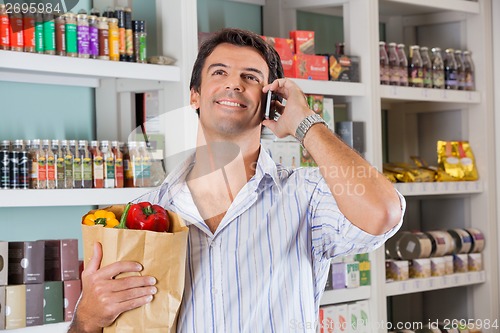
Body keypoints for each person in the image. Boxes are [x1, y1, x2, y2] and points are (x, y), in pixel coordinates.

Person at [69, 28, 405, 332]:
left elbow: (383, 212)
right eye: (219, 72)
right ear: (195, 96)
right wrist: (87, 318)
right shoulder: (136, 217)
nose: (234, 83)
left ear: (271, 103)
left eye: (251, 77)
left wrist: (305, 123)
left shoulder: (308, 196)